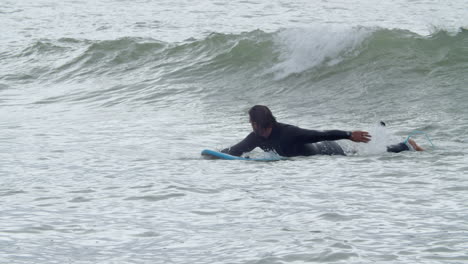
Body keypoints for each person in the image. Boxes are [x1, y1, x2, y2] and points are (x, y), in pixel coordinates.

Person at [221, 105, 423, 157]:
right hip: (319, 150)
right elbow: (237, 150)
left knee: (369, 154)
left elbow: (320, 134)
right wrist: (217, 154)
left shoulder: (288, 132)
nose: (250, 124)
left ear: (257, 123)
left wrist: (349, 135)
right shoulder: (255, 137)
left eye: (250, 121)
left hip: (329, 150)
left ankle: (405, 145)